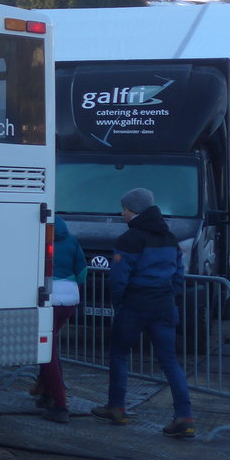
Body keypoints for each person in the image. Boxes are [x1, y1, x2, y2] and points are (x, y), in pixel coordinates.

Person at [91, 188, 195, 438]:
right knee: (169, 361)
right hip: (164, 304)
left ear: (134, 210)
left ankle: (116, 407)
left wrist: (120, 303)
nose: (122, 214)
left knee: (119, 354)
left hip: (135, 304)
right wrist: (171, 294)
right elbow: (179, 272)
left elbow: (118, 278)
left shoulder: (130, 239)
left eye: (124, 209)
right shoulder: (169, 237)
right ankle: (185, 417)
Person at [35, 216, 87, 423]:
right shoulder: (72, 241)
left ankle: (60, 404)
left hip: (50, 296)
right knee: (51, 343)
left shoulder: (39, 239)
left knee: (48, 351)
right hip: (70, 298)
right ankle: (45, 392)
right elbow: (82, 271)